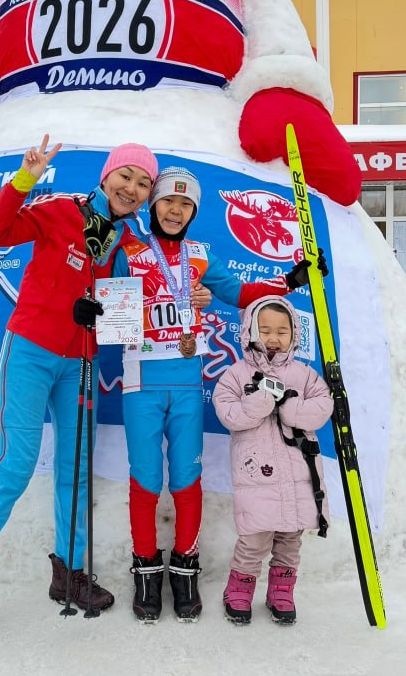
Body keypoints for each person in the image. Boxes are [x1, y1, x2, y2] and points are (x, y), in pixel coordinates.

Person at [0, 138, 158, 637]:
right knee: (15, 465)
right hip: (31, 351)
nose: (131, 188)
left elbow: (123, 314)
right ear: (107, 177)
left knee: (75, 471)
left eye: (143, 183)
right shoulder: (62, 209)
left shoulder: (129, 241)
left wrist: (105, 315)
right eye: (126, 176)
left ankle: (69, 573)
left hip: (80, 362)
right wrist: (25, 178)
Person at [110, 166, 316, 624]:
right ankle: (146, 570)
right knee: (145, 479)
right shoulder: (129, 249)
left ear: (193, 212)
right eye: (168, 201)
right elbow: (109, 308)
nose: (175, 210)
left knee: (187, 479)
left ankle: (185, 567)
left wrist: (291, 281)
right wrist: (132, 301)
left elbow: (241, 294)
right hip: (141, 382)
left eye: (185, 204)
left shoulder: (200, 256)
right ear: (153, 205)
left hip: (187, 383)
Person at [213, 295, 334, 626]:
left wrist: (292, 409)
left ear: (294, 334)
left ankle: (282, 592)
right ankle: (239, 591)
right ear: (250, 331)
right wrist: (259, 404)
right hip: (256, 476)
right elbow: (228, 412)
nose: (273, 338)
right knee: (253, 539)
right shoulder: (236, 374)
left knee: (290, 540)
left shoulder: (304, 374)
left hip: (298, 474)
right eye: (265, 330)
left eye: (282, 331)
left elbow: (323, 405)